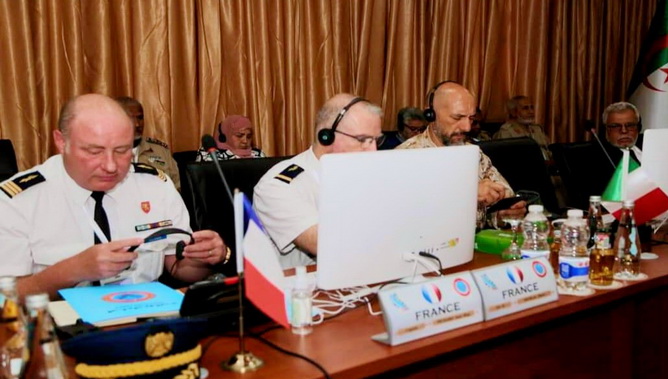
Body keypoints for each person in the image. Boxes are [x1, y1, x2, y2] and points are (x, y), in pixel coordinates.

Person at [0, 94, 228, 297]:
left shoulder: (155, 186)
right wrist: (72, 270)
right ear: (61, 142)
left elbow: (179, 268)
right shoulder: (17, 200)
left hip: (145, 316)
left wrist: (203, 259)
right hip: (55, 325)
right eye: (94, 151)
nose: (110, 166)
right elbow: (6, 297)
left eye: (122, 150)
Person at [254, 94, 383, 268]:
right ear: (326, 137)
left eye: (376, 140)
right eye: (362, 140)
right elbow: (323, 244)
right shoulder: (276, 186)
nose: (373, 150)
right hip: (302, 282)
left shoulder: (370, 176)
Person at [396, 81, 526, 222]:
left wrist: (502, 214)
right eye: (457, 118)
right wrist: (467, 194)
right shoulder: (404, 158)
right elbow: (408, 217)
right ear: (431, 115)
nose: (467, 127)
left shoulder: (473, 153)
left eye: (471, 118)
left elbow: (504, 194)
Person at [115, 96, 181, 191]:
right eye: (131, 118)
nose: (137, 124)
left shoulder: (160, 151)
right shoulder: (104, 153)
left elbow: (177, 187)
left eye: (140, 118)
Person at [494, 95, 551, 160]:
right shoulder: (507, 131)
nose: (531, 112)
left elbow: (548, 150)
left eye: (532, 107)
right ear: (513, 112)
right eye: (525, 108)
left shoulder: (537, 129)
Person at [196, 115, 266, 161]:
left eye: (249, 136)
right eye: (239, 135)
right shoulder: (210, 154)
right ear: (224, 136)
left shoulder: (258, 154)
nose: (245, 141)